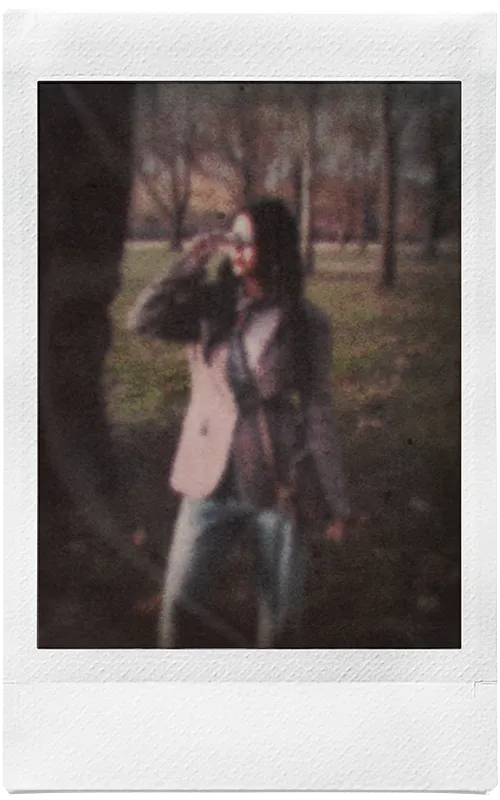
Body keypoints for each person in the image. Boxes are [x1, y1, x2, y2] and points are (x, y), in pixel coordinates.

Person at [128, 197, 350, 648]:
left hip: (279, 484)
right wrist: (191, 262)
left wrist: (335, 500)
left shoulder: (306, 323)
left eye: (248, 239)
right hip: (207, 481)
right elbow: (143, 318)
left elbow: (318, 411)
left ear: (276, 246)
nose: (237, 247)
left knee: (280, 624)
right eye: (235, 237)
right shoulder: (211, 305)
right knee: (179, 607)